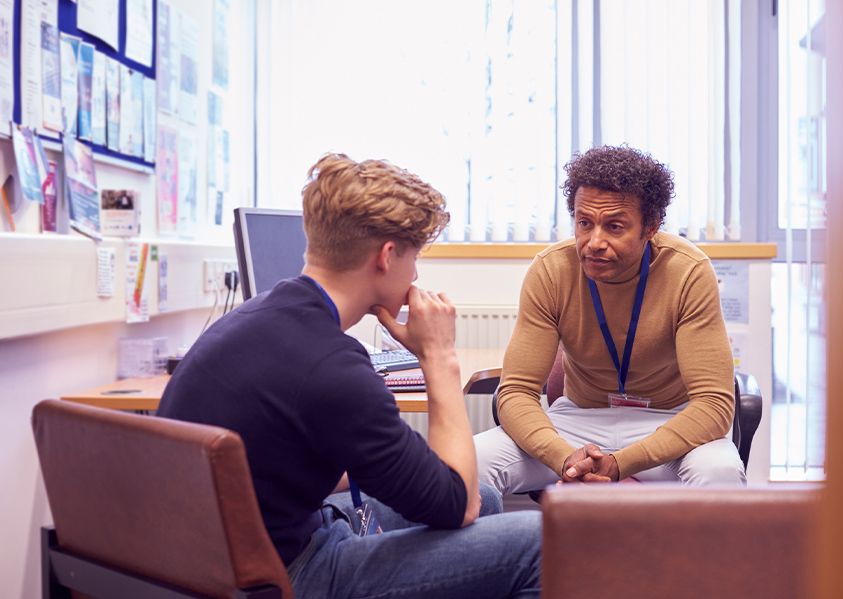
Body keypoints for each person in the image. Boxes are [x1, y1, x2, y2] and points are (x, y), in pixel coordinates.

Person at [158, 153, 541, 598]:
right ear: (387, 256)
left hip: (218, 560)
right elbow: (458, 506)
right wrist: (438, 355)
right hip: (286, 576)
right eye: (414, 258)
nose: (416, 275)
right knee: (538, 542)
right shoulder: (332, 367)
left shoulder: (256, 317)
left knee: (489, 497)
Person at [476, 145, 746, 494]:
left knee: (720, 474)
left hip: (669, 421)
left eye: (614, 226)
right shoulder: (551, 270)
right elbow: (515, 392)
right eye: (584, 223)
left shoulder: (688, 272)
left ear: (650, 227)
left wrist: (622, 463)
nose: (594, 242)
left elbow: (713, 404)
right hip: (577, 422)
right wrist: (565, 457)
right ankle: (500, 550)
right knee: (469, 465)